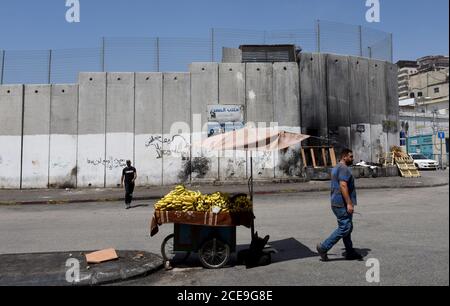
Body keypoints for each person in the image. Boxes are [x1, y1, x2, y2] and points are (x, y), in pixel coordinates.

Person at [316, 149, 363, 261]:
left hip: (336, 202)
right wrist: (349, 203)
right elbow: (343, 186)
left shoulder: (336, 167)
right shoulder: (343, 168)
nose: (352, 159)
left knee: (347, 227)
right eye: (350, 157)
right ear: (344, 157)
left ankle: (350, 252)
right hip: (341, 204)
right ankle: (323, 247)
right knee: (345, 227)